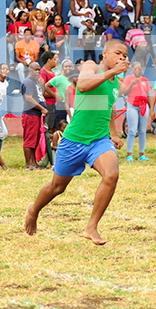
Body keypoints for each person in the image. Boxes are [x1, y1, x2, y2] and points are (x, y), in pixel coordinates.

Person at [24, 39, 129, 245]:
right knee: (57, 187)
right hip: (74, 140)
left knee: (111, 174)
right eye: (118, 53)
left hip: (99, 140)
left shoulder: (116, 83)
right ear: (105, 54)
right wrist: (111, 72)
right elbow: (83, 84)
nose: (122, 59)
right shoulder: (92, 67)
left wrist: (114, 134)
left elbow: (109, 108)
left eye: (125, 56)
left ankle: (91, 227)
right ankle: (33, 209)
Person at [120, 61, 152, 162]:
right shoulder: (128, 79)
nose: (138, 70)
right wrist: (132, 84)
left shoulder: (145, 80)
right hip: (132, 104)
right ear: (132, 70)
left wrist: (151, 108)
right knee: (132, 130)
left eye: (139, 68)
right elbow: (125, 92)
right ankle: (129, 154)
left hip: (143, 105)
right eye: (135, 69)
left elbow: (147, 94)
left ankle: (141, 154)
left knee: (142, 130)